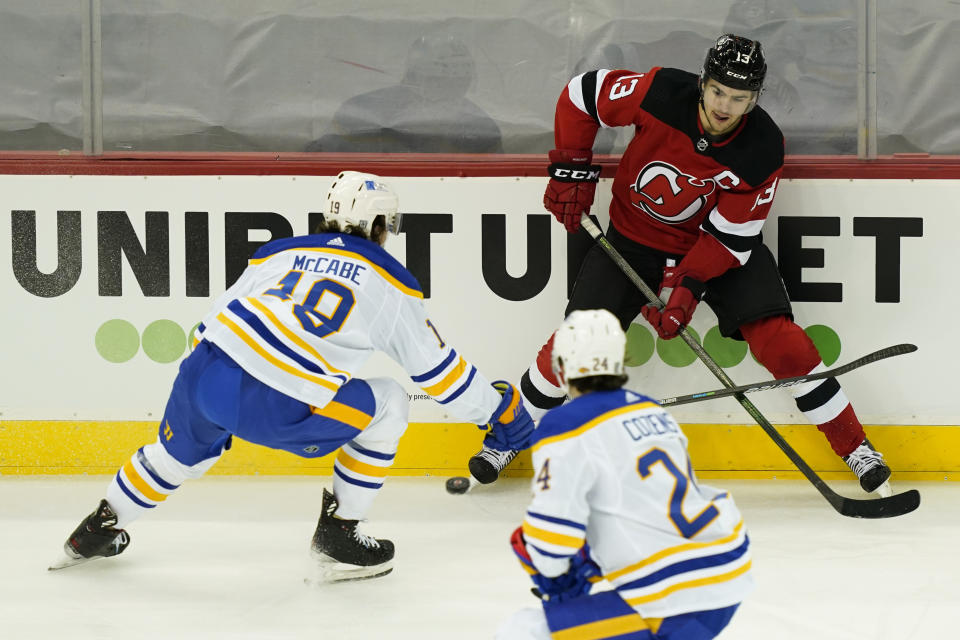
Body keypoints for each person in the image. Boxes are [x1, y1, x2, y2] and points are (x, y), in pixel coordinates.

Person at [49, 171, 534, 581]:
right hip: (276, 402)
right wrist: (499, 413)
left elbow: (210, 323)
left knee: (175, 458)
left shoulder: (276, 253)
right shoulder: (388, 280)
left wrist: (221, 408)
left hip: (204, 373)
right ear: (381, 224)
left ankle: (94, 530)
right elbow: (440, 376)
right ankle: (340, 534)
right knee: (389, 403)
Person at [471, 34, 893, 497]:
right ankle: (507, 437)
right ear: (702, 83)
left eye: (739, 98)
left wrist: (685, 288)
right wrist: (573, 168)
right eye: (717, 92)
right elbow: (581, 96)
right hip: (633, 242)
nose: (725, 107)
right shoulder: (659, 93)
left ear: (755, 98)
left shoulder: (762, 146)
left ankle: (855, 447)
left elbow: (731, 236)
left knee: (781, 342)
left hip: (715, 248)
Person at [496, 309, 752, 640]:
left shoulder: (564, 425)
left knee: (525, 630)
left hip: (672, 599)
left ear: (561, 369)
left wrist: (556, 576)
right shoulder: (652, 411)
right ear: (620, 363)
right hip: (726, 571)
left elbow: (550, 542)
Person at [306, 34, 503, 153]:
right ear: (414, 77)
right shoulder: (363, 112)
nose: (450, 90)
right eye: (439, 81)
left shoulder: (479, 128)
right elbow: (318, 157)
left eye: (459, 82)